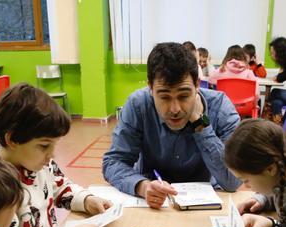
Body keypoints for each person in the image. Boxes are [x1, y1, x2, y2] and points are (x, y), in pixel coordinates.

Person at [102, 42, 241, 209]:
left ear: (197, 85)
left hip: (205, 203)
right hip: (152, 204)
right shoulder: (138, 105)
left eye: (183, 96)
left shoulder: (220, 107)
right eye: (165, 97)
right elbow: (113, 162)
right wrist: (142, 186)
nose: (175, 109)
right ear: (150, 87)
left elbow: (233, 181)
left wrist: (200, 123)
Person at [0, 83, 111, 227]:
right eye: (44, 146)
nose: (51, 154)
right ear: (12, 139)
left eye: (53, 146)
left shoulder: (40, 164)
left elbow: (61, 188)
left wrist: (86, 200)